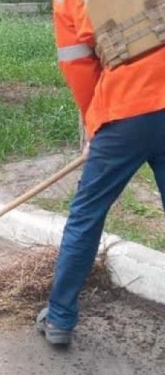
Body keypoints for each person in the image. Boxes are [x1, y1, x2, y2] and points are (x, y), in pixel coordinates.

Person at [36, 0, 165, 345]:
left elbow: (77, 63)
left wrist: (97, 124)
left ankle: (60, 318)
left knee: (86, 216)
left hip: (124, 109)